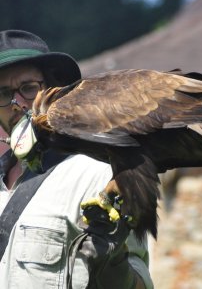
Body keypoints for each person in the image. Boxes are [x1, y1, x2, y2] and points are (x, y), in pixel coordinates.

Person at [0, 30, 153, 289]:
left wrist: (113, 265)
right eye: (3, 94)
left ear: (53, 91)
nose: (16, 103)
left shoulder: (101, 176)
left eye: (28, 88)